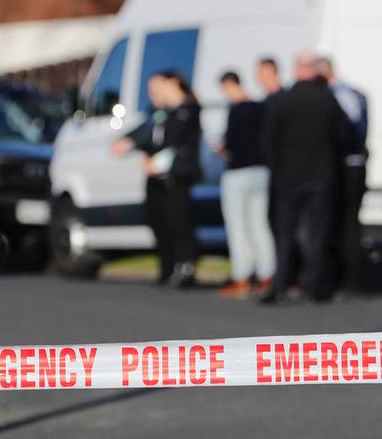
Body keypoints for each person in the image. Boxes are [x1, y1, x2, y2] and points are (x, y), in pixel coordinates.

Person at [262, 51, 346, 303]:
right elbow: (342, 137)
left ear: (296, 69)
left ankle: (280, 284)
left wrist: (276, 170)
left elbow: (268, 141)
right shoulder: (328, 100)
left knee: (284, 233)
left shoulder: (282, 101)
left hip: (288, 177)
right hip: (322, 176)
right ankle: (315, 286)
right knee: (317, 232)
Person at [112, 71, 202, 287]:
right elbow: (143, 134)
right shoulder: (158, 113)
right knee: (158, 220)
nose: (153, 94)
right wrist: (132, 145)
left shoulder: (187, 110)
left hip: (176, 176)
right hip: (156, 178)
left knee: (179, 222)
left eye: (157, 88)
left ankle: (185, 267)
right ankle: (167, 267)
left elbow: (174, 137)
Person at [216, 70, 276, 299]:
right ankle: (267, 274)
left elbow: (230, 144)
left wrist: (221, 149)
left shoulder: (237, 110)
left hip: (239, 172)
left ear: (229, 85)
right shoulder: (261, 107)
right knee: (259, 225)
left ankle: (241, 276)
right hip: (261, 171)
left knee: (238, 227)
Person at [316, 55, 370, 295]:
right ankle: (347, 279)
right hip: (353, 164)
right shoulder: (350, 92)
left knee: (346, 224)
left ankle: (349, 281)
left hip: (347, 166)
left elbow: (349, 132)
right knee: (346, 223)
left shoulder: (340, 95)